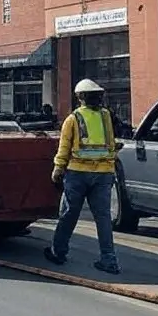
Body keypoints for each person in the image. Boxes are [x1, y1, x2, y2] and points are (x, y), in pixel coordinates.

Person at [44, 78, 122, 275]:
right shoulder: (107, 117)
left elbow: (64, 148)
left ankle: (58, 252)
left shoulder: (73, 119)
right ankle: (109, 260)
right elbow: (112, 144)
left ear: (80, 98)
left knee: (69, 214)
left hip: (77, 173)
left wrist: (58, 170)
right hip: (104, 174)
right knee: (103, 218)